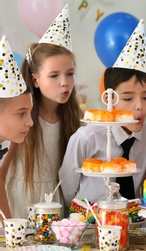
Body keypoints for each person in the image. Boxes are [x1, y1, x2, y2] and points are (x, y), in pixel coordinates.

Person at [59, 19, 146, 209]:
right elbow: (68, 189)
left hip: (136, 222)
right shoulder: (87, 138)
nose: (139, 106)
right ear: (109, 99)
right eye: (127, 98)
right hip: (92, 221)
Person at [6, 5, 82, 218]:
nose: (64, 83)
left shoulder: (73, 120)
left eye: (69, 74)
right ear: (35, 79)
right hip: (20, 207)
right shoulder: (22, 120)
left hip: (56, 209)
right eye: (54, 75)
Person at [0, 35, 33, 224]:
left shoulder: (8, 143)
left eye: (30, 113)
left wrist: (7, 228)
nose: (30, 122)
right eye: (21, 114)